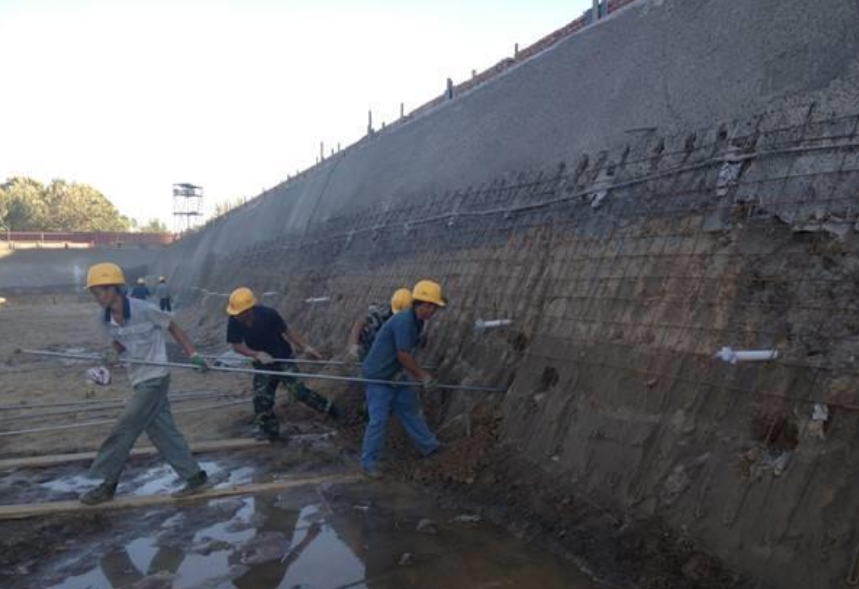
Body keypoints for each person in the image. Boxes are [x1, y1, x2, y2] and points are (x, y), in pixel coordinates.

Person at [79, 262, 211, 505]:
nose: (97, 297)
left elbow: (172, 326)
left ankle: (107, 485)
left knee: (124, 428)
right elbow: (120, 343)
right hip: (137, 379)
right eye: (94, 292)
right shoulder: (104, 319)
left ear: (115, 289)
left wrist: (193, 354)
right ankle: (196, 477)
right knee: (163, 432)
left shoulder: (144, 309)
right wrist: (110, 359)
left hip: (156, 377)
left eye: (101, 291)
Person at [225, 287, 339, 441]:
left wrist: (305, 347)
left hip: (283, 357)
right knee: (261, 397)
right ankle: (269, 431)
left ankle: (334, 412)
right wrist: (256, 354)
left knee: (299, 392)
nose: (236, 316)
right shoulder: (234, 321)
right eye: (235, 313)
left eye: (239, 313)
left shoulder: (268, 314)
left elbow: (288, 332)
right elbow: (236, 345)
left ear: (249, 309)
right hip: (263, 363)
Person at [359, 279, 444, 478]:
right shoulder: (405, 321)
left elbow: (405, 353)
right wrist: (423, 376)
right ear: (418, 304)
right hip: (378, 376)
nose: (432, 310)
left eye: (434, 306)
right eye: (428, 305)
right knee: (378, 420)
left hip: (394, 374)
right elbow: (403, 355)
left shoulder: (417, 321)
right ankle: (368, 463)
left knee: (410, 410)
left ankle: (429, 447)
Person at [346, 288, 413, 362]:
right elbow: (359, 323)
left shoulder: (409, 317)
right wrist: (353, 346)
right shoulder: (380, 314)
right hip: (368, 345)